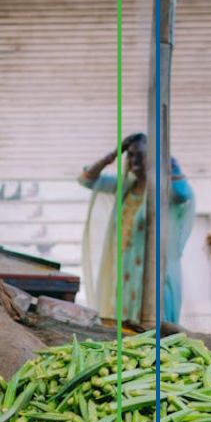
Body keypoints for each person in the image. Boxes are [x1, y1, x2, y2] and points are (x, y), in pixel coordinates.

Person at [79, 133, 195, 324]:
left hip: (153, 275)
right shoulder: (124, 186)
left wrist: (167, 159)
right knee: (124, 330)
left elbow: (183, 194)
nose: (134, 160)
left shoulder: (163, 189)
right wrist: (116, 152)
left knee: (152, 329)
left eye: (140, 155)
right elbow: (86, 179)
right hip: (125, 274)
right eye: (130, 155)